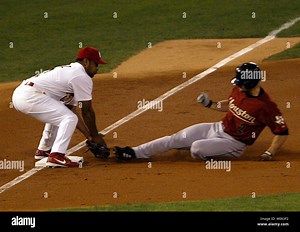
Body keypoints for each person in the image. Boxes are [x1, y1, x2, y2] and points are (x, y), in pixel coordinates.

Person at [113, 62, 289, 162]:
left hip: (235, 144)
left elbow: (282, 132)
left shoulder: (266, 106)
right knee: (177, 138)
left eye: (240, 83)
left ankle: (206, 150)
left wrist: (269, 153)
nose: (237, 85)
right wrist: (210, 104)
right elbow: (232, 105)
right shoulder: (239, 90)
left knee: (197, 148)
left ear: (251, 83)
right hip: (217, 128)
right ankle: (134, 152)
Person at [12, 46, 108, 167]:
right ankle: (57, 155)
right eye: (96, 64)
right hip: (30, 96)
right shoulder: (81, 76)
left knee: (62, 114)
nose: (97, 68)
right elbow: (87, 111)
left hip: (23, 94)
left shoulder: (72, 72)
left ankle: (44, 150)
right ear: (86, 61)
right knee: (69, 118)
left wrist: (89, 136)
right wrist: (95, 136)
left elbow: (70, 109)